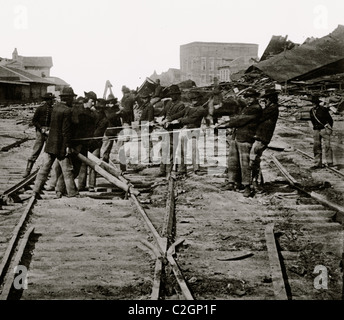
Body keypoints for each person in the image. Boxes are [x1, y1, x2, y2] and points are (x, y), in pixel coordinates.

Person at [32, 86, 79, 198]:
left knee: (44, 169)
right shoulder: (67, 111)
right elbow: (66, 130)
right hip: (61, 145)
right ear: (68, 98)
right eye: (72, 98)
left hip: (50, 144)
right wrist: (67, 145)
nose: (73, 100)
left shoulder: (55, 108)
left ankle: (36, 190)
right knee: (67, 170)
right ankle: (72, 192)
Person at [218, 88, 262, 197]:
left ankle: (247, 186)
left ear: (256, 97)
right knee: (233, 162)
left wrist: (226, 125)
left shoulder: (256, 108)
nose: (249, 99)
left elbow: (241, 120)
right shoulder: (247, 107)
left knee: (245, 164)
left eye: (251, 97)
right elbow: (238, 117)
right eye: (247, 97)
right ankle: (232, 182)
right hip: (237, 137)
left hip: (246, 138)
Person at [170, 90, 208, 175]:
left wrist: (179, 121)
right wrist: (169, 119)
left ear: (199, 99)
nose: (194, 100)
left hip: (194, 130)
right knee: (181, 150)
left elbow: (192, 119)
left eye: (196, 99)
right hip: (184, 129)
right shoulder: (188, 107)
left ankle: (196, 168)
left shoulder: (201, 109)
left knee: (193, 149)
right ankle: (182, 169)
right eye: (193, 99)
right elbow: (179, 114)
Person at [249, 88, 280, 191]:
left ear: (270, 99)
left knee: (253, 160)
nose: (265, 100)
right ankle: (257, 182)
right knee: (255, 160)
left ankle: (256, 183)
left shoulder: (272, 108)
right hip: (262, 137)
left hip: (263, 137)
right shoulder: (270, 107)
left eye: (266, 98)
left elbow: (259, 117)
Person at [23, 92, 56, 178]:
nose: (52, 101)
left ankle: (47, 170)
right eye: (50, 100)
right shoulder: (40, 109)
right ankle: (28, 170)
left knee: (49, 151)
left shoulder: (54, 110)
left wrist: (50, 129)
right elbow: (34, 121)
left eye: (52, 99)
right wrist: (41, 128)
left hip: (49, 132)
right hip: (40, 132)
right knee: (36, 150)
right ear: (46, 100)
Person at [158, 84, 186, 177]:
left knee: (171, 150)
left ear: (178, 95)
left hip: (175, 130)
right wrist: (161, 119)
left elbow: (179, 116)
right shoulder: (169, 103)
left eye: (174, 94)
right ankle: (162, 170)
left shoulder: (181, 105)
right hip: (166, 129)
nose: (172, 96)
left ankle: (168, 171)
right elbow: (164, 113)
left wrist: (169, 120)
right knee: (163, 150)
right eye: (171, 94)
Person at [309, 94, 334, 169]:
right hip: (316, 130)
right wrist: (315, 127)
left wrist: (328, 128)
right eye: (312, 103)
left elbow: (330, 120)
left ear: (317, 103)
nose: (313, 104)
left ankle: (330, 162)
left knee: (327, 146)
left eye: (314, 103)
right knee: (316, 147)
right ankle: (317, 163)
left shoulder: (323, 109)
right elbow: (312, 120)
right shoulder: (311, 111)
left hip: (323, 129)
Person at [139, 89, 155, 165]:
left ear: (148, 98)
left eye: (145, 98)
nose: (144, 100)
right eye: (143, 98)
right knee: (146, 143)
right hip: (143, 125)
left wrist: (147, 126)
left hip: (146, 126)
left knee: (147, 144)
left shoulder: (150, 106)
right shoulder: (145, 106)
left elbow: (150, 118)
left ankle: (148, 160)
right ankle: (148, 159)